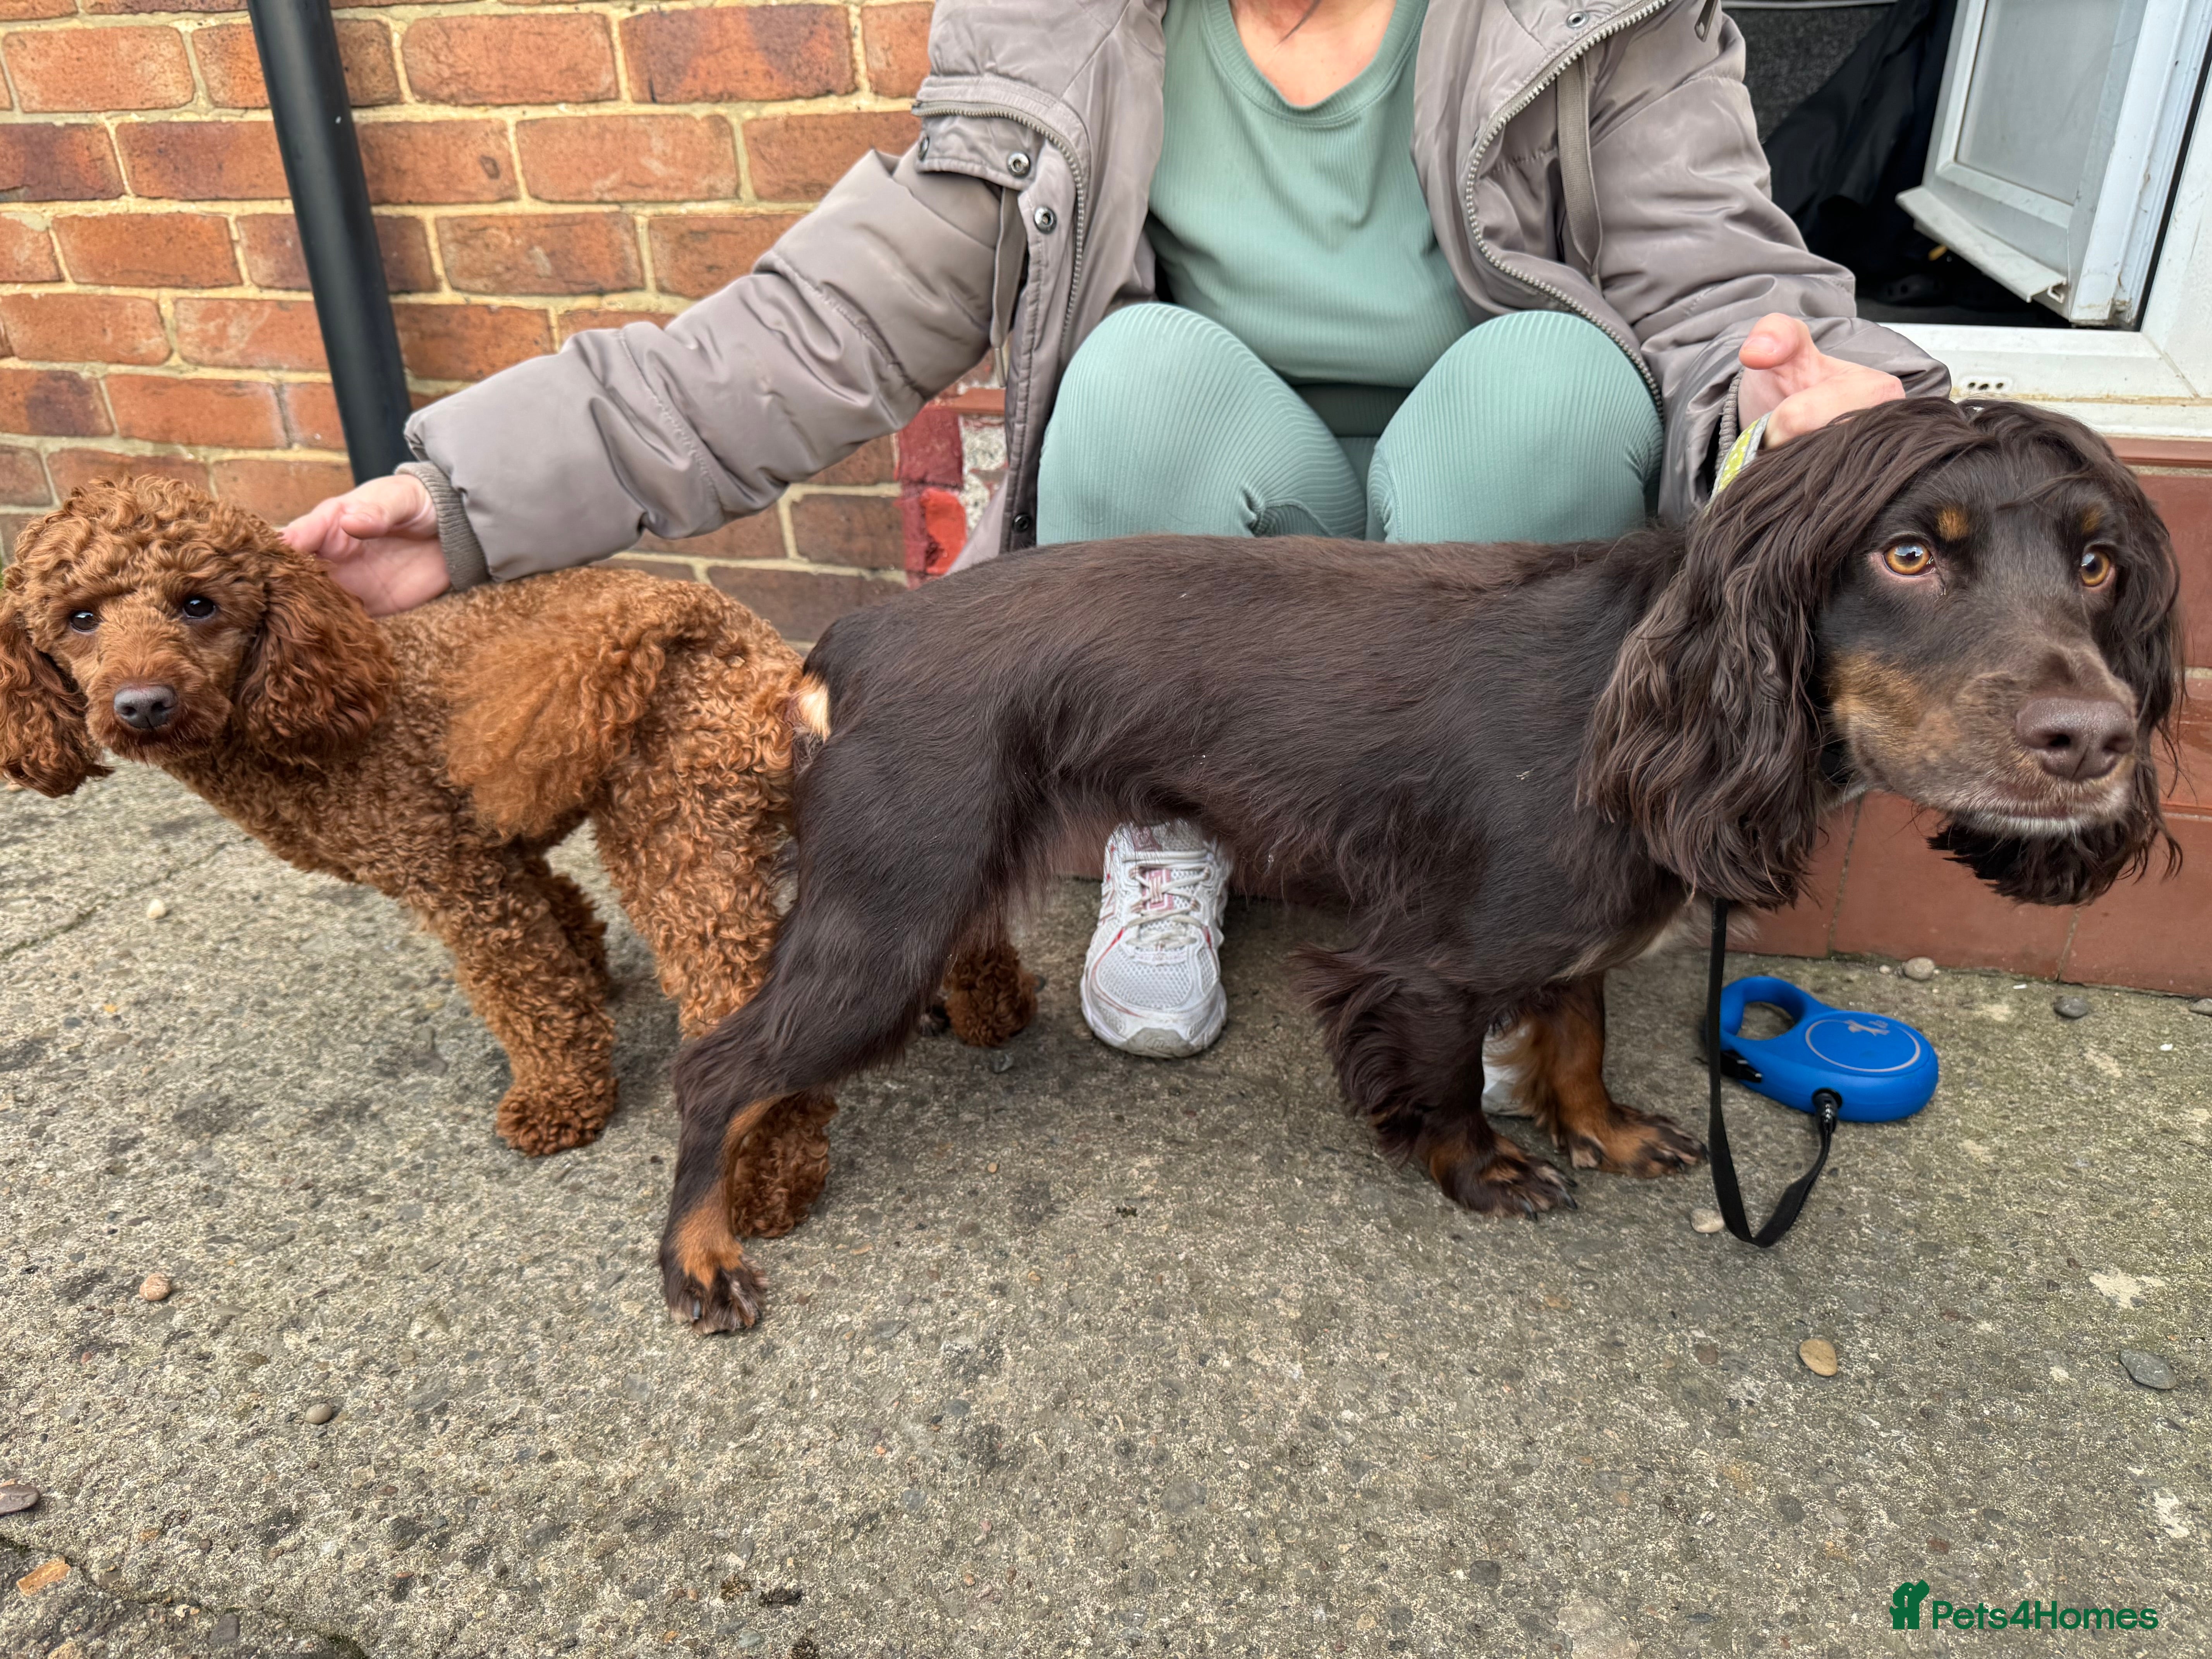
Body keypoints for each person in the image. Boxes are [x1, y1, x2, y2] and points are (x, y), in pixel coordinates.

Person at [285, 0, 1946, 1060]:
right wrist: (466, 501)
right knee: (1135, 371)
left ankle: (1503, 891)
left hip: (1482, 527)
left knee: (1554, 382)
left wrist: (1821, 423)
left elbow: (1727, 295)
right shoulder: (1059, 37)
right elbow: (807, 332)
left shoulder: (1592, 20)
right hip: (1224, 520)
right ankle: (1178, 834)